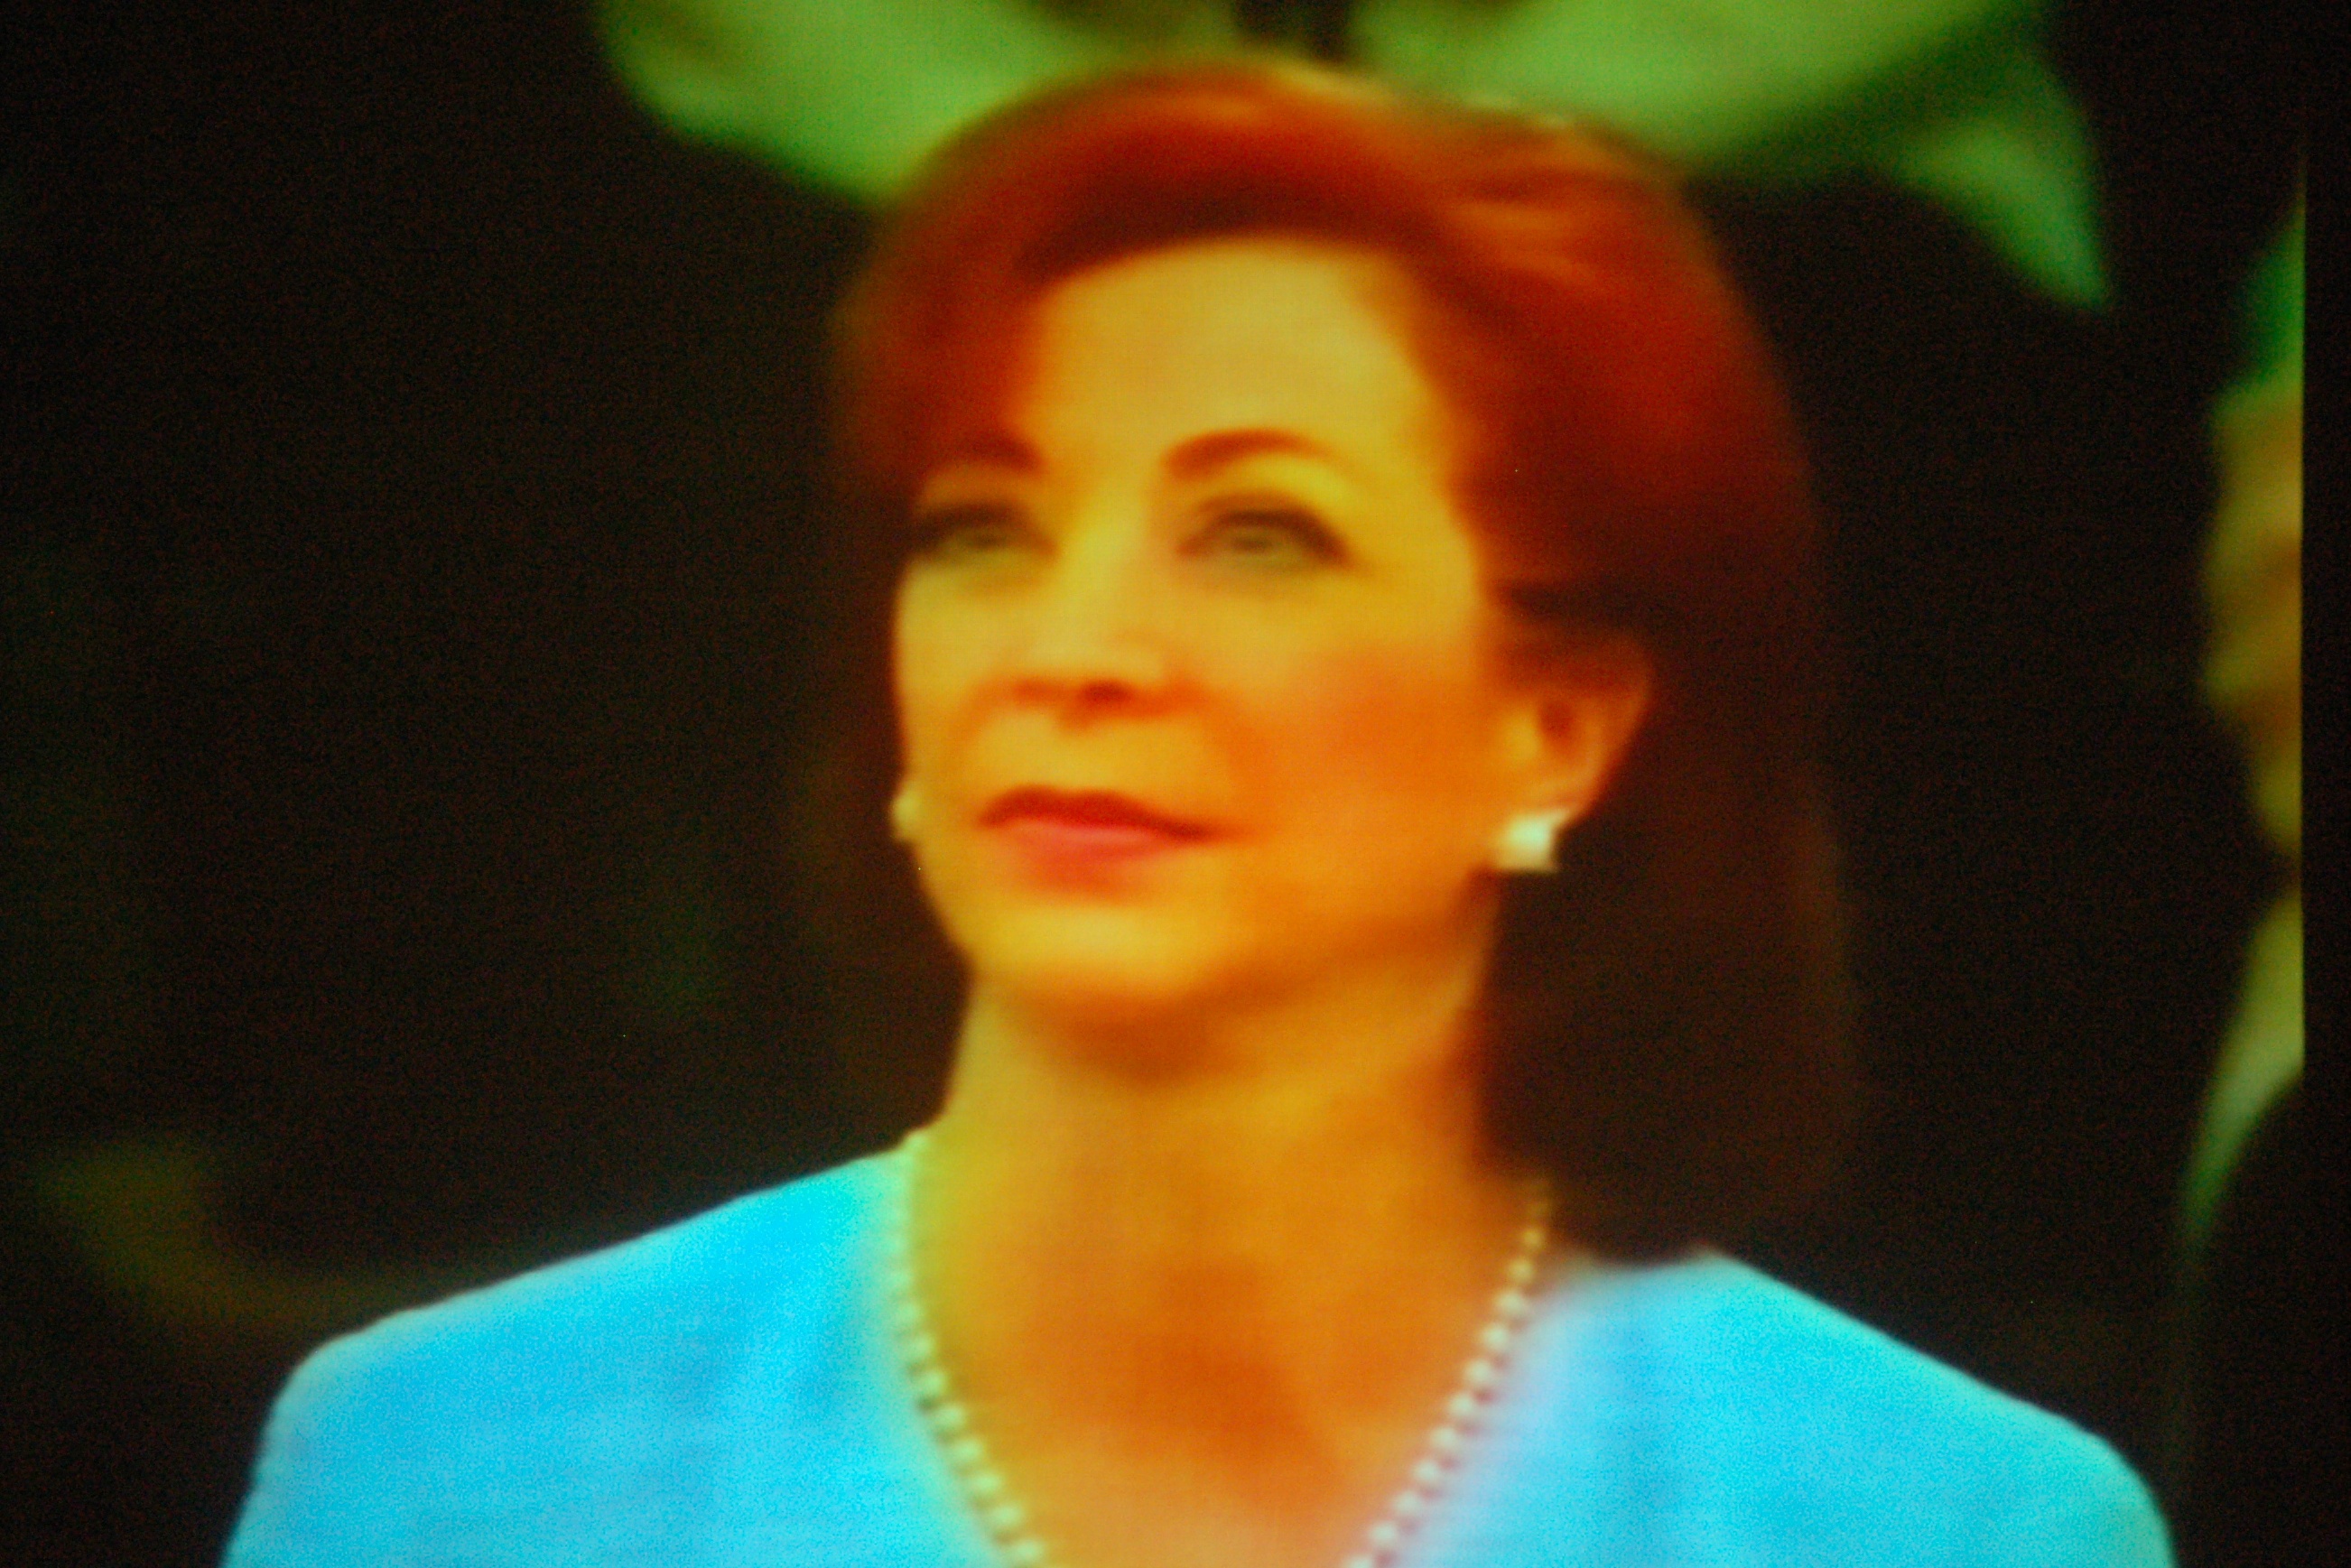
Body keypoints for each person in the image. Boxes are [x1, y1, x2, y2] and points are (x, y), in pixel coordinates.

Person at [222, 62, 2169, 1567]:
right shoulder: (445, 1466)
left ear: (1555, 727)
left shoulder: (1944, 1524)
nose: (1069, 650)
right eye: (982, 528)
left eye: (1260, 534)